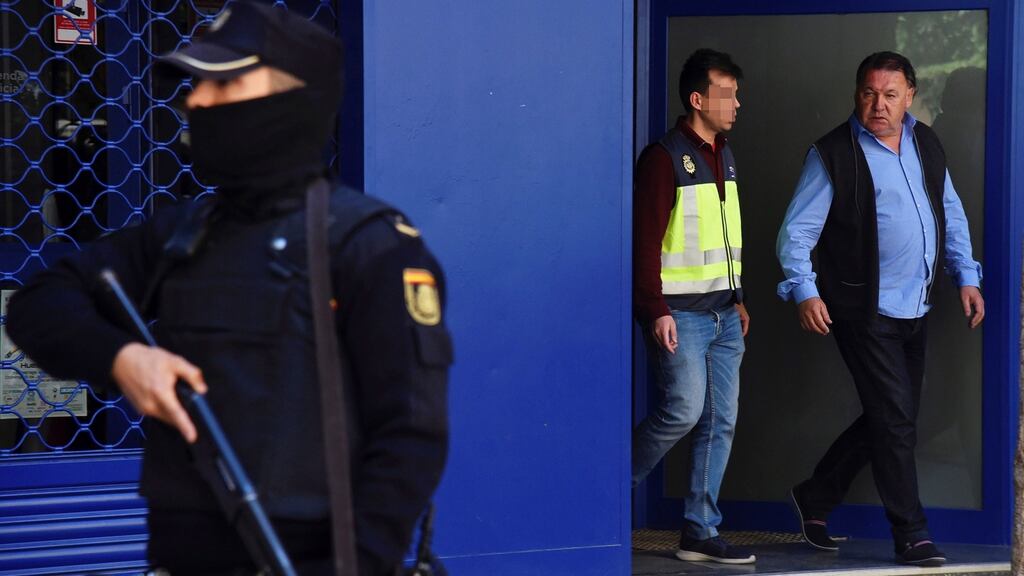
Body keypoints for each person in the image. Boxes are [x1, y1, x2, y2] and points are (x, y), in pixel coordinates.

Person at [5, 3, 451, 575]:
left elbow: (411, 436)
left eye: (225, 82)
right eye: (195, 85)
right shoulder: (181, 234)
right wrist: (123, 359)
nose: (196, 101)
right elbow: (38, 304)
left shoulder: (371, 247)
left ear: (297, 97)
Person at [776, 51, 984, 567]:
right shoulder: (834, 153)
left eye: (890, 95)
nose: (879, 105)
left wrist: (967, 274)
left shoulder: (926, 143)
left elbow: (949, 212)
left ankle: (817, 495)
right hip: (862, 308)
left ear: (909, 96)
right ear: (856, 94)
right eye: (869, 93)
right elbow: (795, 233)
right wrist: (803, 289)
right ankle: (911, 534)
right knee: (894, 422)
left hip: (917, 305)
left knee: (895, 416)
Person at [632, 48, 753, 565]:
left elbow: (723, 237)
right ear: (697, 99)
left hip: (725, 315)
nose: (736, 104)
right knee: (683, 410)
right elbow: (644, 243)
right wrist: (654, 308)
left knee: (720, 420)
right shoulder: (663, 158)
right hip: (679, 314)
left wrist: (739, 298)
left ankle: (700, 529)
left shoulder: (723, 152)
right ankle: (603, 491)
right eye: (727, 94)